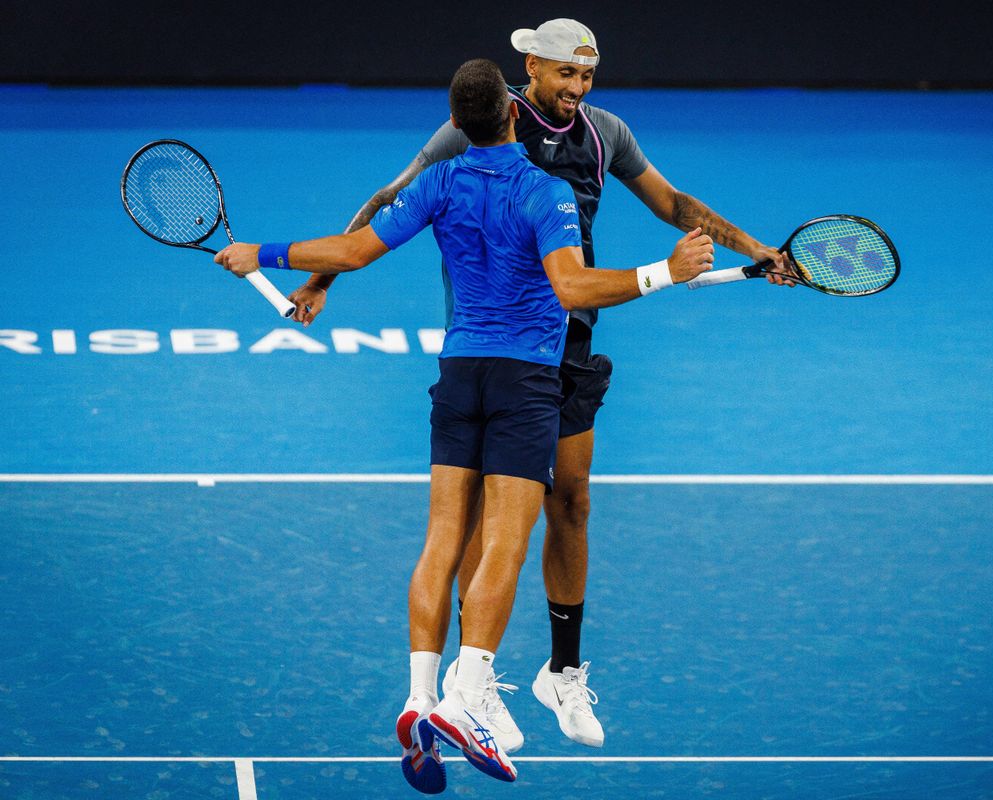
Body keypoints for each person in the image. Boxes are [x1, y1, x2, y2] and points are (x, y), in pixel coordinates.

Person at [287, 18, 797, 752]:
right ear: (532, 66)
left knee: (572, 501)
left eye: (588, 77)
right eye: (566, 75)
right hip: (504, 341)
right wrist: (319, 279)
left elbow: (672, 203)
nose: (577, 90)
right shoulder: (482, 124)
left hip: (575, 336)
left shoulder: (605, 133)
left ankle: (560, 671)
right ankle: (473, 685)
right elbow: (388, 200)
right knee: (483, 524)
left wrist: (757, 248)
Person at [214, 58, 714, 792]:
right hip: (524, 382)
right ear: (513, 114)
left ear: (459, 122)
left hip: (459, 377)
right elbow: (573, 287)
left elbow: (354, 250)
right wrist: (666, 272)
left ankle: (418, 697)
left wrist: (263, 254)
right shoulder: (545, 192)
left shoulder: (439, 182)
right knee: (506, 547)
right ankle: (466, 696)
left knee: (443, 541)